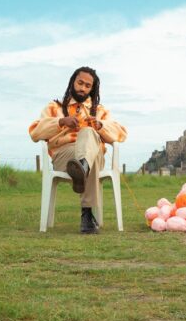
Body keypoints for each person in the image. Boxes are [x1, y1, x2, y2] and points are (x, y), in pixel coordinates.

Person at [29, 66, 127, 234]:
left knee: (89, 134)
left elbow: (121, 134)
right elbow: (35, 132)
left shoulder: (99, 111)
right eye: (80, 83)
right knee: (92, 157)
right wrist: (60, 122)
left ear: (92, 89)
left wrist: (101, 126)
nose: (82, 88)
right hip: (64, 156)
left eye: (87, 86)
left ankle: (82, 167)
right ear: (72, 82)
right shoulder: (55, 107)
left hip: (92, 154)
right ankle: (87, 216)